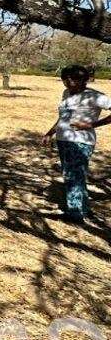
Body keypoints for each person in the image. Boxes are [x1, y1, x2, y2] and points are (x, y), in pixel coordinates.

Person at [42, 65, 111, 222]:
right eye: (65, 79)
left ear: (84, 80)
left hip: (81, 141)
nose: (69, 82)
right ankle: (84, 208)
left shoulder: (95, 96)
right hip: (63, 139)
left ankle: (74, 213)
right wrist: (50, 133)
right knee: (73, 175)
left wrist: (91, 125)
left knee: (73, 175)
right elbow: (64, 117)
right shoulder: (66, 93)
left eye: (74, 78)